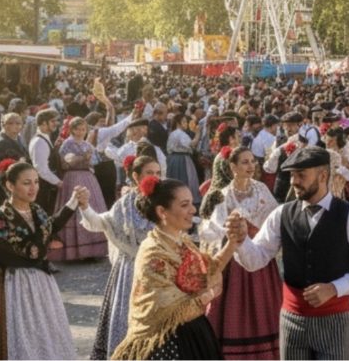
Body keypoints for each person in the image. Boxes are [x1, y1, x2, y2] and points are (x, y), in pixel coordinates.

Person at [230, 146, 349, 359]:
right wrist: (241, 240)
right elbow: (256, 259)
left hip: (334, 321)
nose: (293, 181)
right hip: (292, 320)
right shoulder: (282, 214)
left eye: (301, 175)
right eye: (292, 175)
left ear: (323, 176)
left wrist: (334, 288)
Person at [0, 160, 87, 360]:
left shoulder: (37, 211)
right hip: (12, 284)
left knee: (44, 332)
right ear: (10, 185)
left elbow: (51, 227)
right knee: (17, 333)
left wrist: (72, 202)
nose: (33, 187)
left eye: (36, 181)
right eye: (26, 183)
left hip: (41, 283)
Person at [112, 176, 238, 360]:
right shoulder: (152, 253)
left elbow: (209, 269)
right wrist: (209, 294)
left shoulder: (181, 241)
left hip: (194, 330)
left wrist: (232, 243)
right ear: (162, 211)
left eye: (191, 204)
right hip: (167, 340)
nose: (193, 209)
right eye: (184, 205)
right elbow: (171, 308)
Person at [200, 146, 282, 360]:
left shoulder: (262, 189)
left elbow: (274, 219)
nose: (251, 166)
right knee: (235, 304)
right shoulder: (223, 195)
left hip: (261, 254)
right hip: (234, 260)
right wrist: (234, 233)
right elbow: (213, 228)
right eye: (245, 162)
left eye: (253, 161)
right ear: (232, 167)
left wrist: (260, 236)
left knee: (263, 303)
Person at [81, 154, 159, 359]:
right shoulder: (125, 204)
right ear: (136, 176)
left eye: (158, 173)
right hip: (130, 270)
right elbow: (100, 223)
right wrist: (84, 206)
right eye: (149, 173)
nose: (155, 177)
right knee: (127, 320)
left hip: (159, 268)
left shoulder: (165, 198)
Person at [49, 116, 109, 261]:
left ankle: (93, 250)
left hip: (88, 177)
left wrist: (89, 160)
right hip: (73, 178)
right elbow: (64, 164)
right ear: (72, 130)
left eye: (83, 129)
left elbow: (95, 162)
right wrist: (82, 158)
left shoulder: (87, 145)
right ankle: (75, 252)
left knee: (91, 208)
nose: (81, 132)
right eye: (78, 129)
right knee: (74, 210)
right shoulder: (67, 144)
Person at [28, 108, 63, 217]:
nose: (55, 124)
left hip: (47, 186)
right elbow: (41, 169)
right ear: (43, 123)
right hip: (44, 188)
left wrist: (55, 148)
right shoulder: (39, 142)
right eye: (52, 121)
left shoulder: (45, 138)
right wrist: (58, 182)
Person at [166, 114, 202, 206]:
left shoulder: (173, 133)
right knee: (185, 179)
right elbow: (191, 144)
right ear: (179, 123)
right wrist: (198, 133)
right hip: (182, 159)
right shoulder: (180, 133)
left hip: (174, 159)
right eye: (184, 121)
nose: (186, 124)